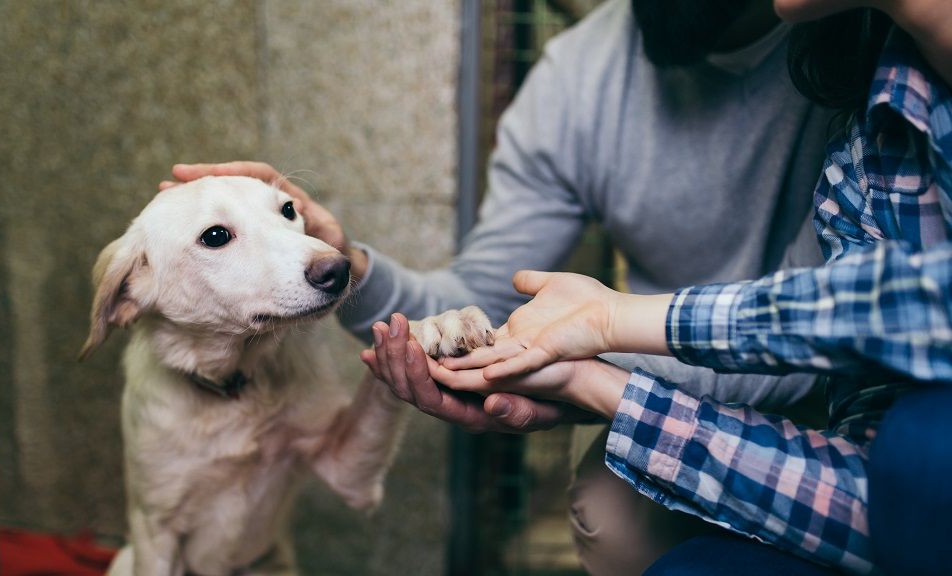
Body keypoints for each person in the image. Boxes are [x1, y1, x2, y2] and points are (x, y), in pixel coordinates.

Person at [167, 0, 835, 572]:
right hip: (666, 372)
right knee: (610, 516)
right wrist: (349, 269)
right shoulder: (580, 75)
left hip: (843, 377)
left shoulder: (857, 48)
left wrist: (591, 375)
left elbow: (851, 315)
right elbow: (481, 303)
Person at [370, 0, 952, 573]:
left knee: (920, 448)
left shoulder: (844, 56)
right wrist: (344, 273)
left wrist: (612, 326)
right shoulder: (866, 143)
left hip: (808, 385)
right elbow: (482, 290)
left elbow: (871, 311)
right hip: (720, 383)